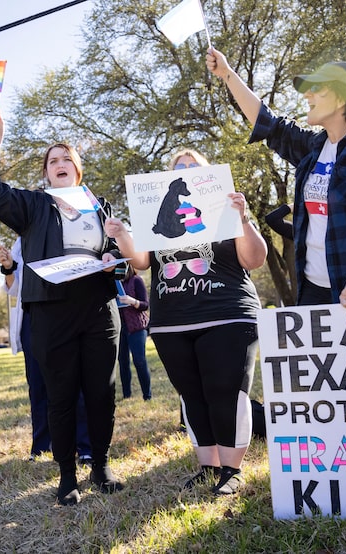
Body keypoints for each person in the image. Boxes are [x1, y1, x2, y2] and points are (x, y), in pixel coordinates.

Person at [0, 106, 124, 506]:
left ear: (78, 170)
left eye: (67, 159)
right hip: (50, 311)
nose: (59, 164)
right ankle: (66, 475)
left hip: (98, 307)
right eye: (52, 160)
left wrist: (114, 255)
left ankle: (101, 466)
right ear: (47, 172)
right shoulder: (33, 205)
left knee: (101, 392)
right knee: (59, 394)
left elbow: (114, 250)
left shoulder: (100, 206)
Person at [105, 149, 267, 495]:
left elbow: (254, 259)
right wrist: (121, 234)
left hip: (229, 314)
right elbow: (143, 262)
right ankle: (208, 467)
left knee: (226, 391)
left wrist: (242, 218)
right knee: (192, 395)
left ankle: (232, 470)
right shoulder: (157, 212)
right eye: (180, 168)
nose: (187, 171)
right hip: (171, 322)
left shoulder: (228, 208)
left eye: (195, 166)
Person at [206, 48, 346, 308]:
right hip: (314, 291)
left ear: (341, 98)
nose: (307, 95)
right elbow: (269, 124)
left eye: (316, 88)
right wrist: (227, 73)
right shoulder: (314, 148)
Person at [0, 239, 92, 463]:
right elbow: (14, 289)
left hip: (67, 312)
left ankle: (84, 445)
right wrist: (9, 267)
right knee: (38, 385)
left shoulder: (68, 230)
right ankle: (42, 445)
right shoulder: (21, 241)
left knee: (75, 380)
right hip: (32, 317)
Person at [116, 265, 152, 401]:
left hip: (137, 327)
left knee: (139, 361)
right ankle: (127, 395)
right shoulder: (113, 283)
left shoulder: (136, 280)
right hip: (120, 328)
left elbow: (145, 305)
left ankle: (147, 396)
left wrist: (132, 302)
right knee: (123, 362)